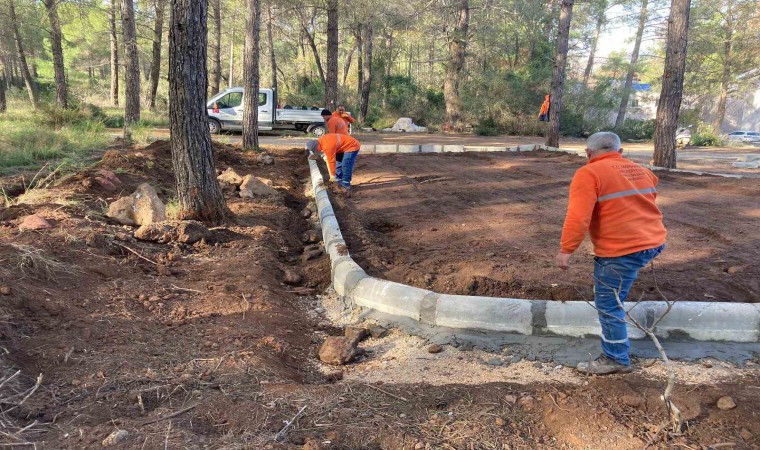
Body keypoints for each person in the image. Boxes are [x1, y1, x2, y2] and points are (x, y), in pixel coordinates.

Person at [555, 131, 667, 375]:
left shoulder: (589, 173)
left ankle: (616, 358)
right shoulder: (641, 170)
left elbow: (578, 216)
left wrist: (566, 249)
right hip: (655, 241)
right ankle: (617, 349)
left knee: (608, 303)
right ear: (621, 152)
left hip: (623, 250)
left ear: (588, 153)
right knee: (614, 293)